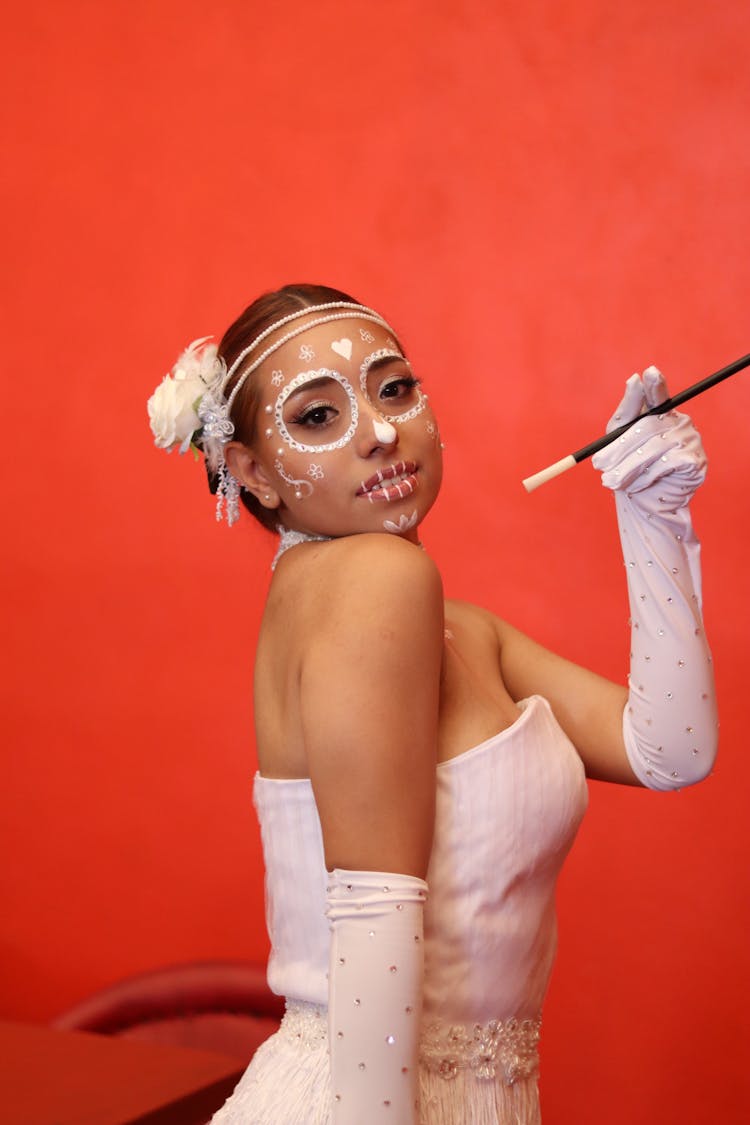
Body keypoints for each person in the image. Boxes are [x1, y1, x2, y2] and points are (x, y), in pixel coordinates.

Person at [147, 283, 718, 1124]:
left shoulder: (454, 627)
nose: (381, 431)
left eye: (395, 388)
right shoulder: (379, 582)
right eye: (316, 416)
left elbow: (672, 748)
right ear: (252, 473)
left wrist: (655, 514)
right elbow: (373, 905)